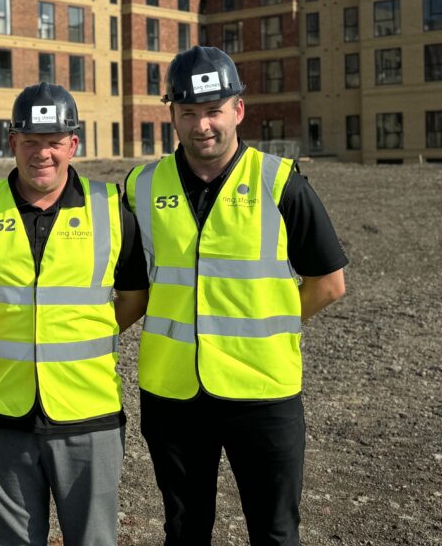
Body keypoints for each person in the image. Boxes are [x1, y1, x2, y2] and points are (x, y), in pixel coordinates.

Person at [118, 46, 348, 546]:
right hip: (173, 394)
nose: (203, 125)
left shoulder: (280, 182)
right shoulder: (140, 187)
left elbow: (329, 283)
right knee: (184, 529)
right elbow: (130, 288)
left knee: (275, 532)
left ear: (238, 110)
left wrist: (268, 325)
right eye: (190, 113)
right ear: (172, 116)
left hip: (263, 393)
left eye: (214, 111)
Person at [0, 82, 149, 546]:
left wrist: (78, 333)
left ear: (73, 144)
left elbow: (135, 295)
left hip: (89, 418)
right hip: (0, 416)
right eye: (31, 141)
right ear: (12, 142)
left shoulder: (110, 207)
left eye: (54, 142)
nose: (43, 153)